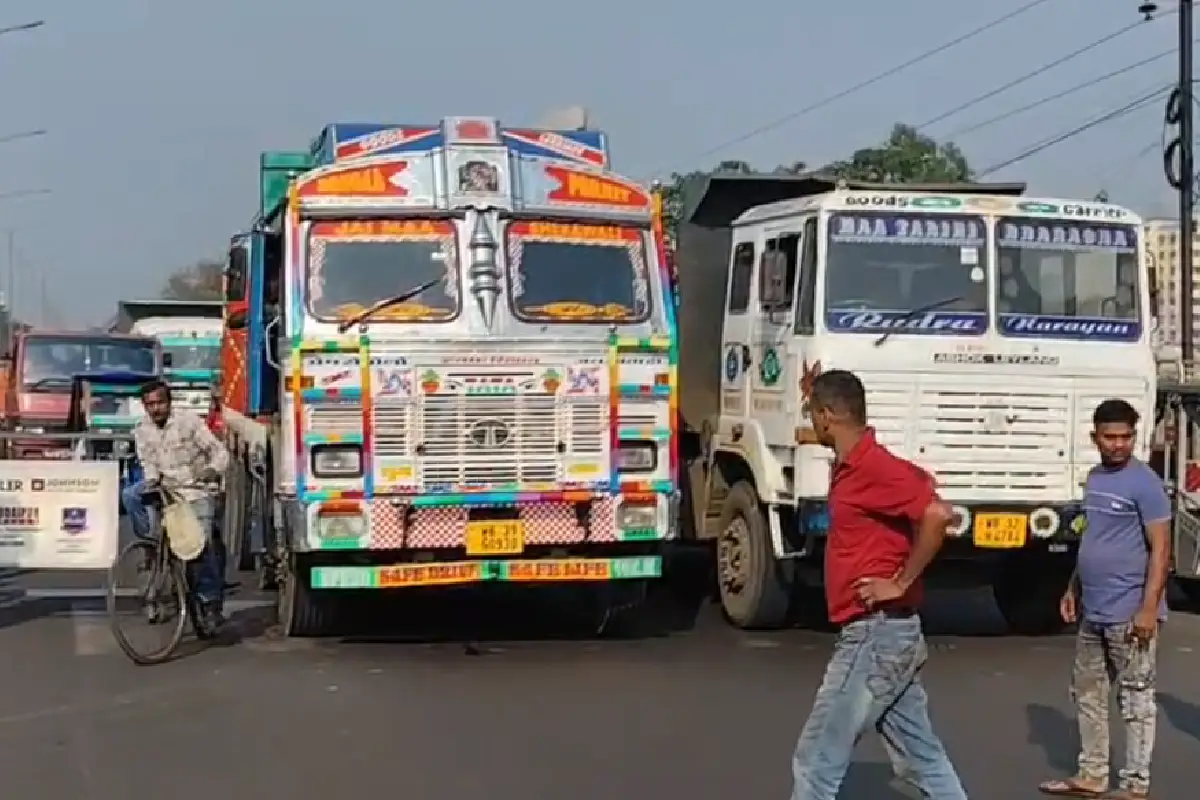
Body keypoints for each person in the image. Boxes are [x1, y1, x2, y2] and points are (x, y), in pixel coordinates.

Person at [790, 369, 966, 800]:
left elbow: (939, 514)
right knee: (922, 757)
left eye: (814, 415)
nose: (811, 423)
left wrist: (900, 581)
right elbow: (811, 433)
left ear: (827, 416)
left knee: (816, 758)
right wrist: (808, 392)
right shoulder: (855, 459)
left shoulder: (872, 466)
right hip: (891, 636)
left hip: (875, 632)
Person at [1039, 399, 1169, 800]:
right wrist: (1073, 587)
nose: (1117, 445)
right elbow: (1093, 537)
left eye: (1125, 437)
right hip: (1093, 608)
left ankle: (1134, 783)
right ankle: (1092, 775)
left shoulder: (1145, 483)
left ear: (1135, 436)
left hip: (1130, 612)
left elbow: (1162, 549)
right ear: (1094, 437)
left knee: (1135, 697)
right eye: (1109, 437)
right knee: (1088, 692)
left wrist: (1148, 609)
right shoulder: (1095, 478)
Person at [121, 378, 230, 633]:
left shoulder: (189, 422)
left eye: (159, 403)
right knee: (130, 495)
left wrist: (212, 470)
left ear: (169, 403)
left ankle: (210, 601)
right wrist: (151, 484)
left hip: (196, 491)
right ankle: (149, 540)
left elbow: (220, 452)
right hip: (166, 490)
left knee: (201, 546)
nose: (155, 409)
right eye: (150, 404)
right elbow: (148, 463)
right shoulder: (142, 430)